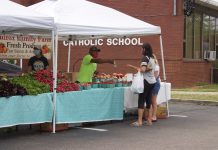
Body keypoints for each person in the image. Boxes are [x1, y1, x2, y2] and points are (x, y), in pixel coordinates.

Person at [127, 43, 156, 126]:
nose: (141, 50)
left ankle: (139, 121)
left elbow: (143, 69)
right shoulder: (152, 58)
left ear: (144, 49)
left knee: (141, 100)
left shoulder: (145, 58)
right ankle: (149, 120)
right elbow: (152, 68)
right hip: (152, 81)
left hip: (146, 81)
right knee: (149, 101)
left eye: (141, 49)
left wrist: (141, 69)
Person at [151, 54, 160, 122]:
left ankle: (154, 116)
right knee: (151, 101)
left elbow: (155, 76)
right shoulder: (153, 65)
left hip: (154, 84)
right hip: (152, 83)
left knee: (153, 101)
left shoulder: (156, 66)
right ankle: (150, 116)